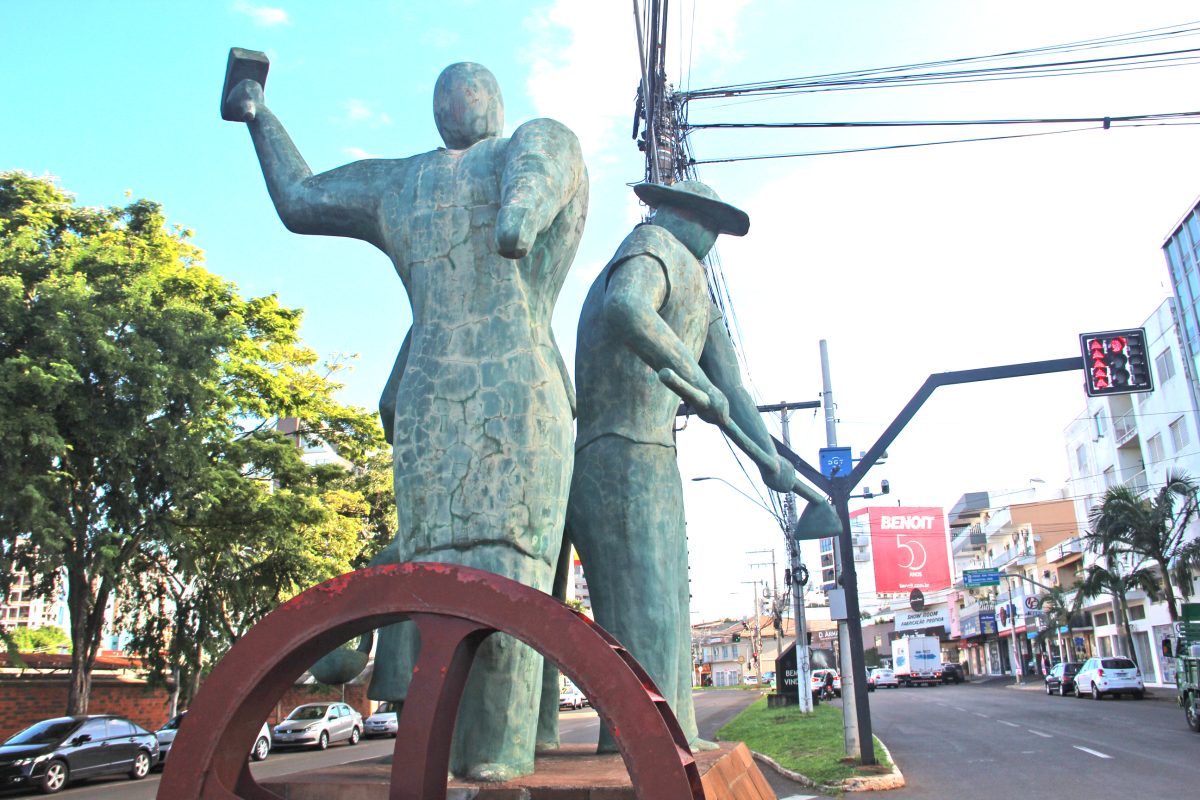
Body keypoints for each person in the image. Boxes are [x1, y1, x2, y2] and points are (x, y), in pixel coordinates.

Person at [224, 59, 588, 781]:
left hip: (452, 399)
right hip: (505, 396)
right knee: (479, 581)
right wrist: (257, 115)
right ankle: (481, 756)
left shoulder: (429, 173)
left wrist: (258, 113)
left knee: (473, 580)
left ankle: (484, 755)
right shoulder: (495, 155)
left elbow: (300, 198)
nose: (464, 104)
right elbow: (531, 191)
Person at [566, 180, 810, 752]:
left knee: (669, 606)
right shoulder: (651, 245)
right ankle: (644, 743)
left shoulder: (696, 285)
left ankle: (676, 734)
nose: (713, 239)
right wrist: (693, 379)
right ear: (687, 216)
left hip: (653, 455)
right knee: (642, 608)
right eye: (712, 226)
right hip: (614, 448)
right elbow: (627, 305)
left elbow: (734, 389)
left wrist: (771, 459)